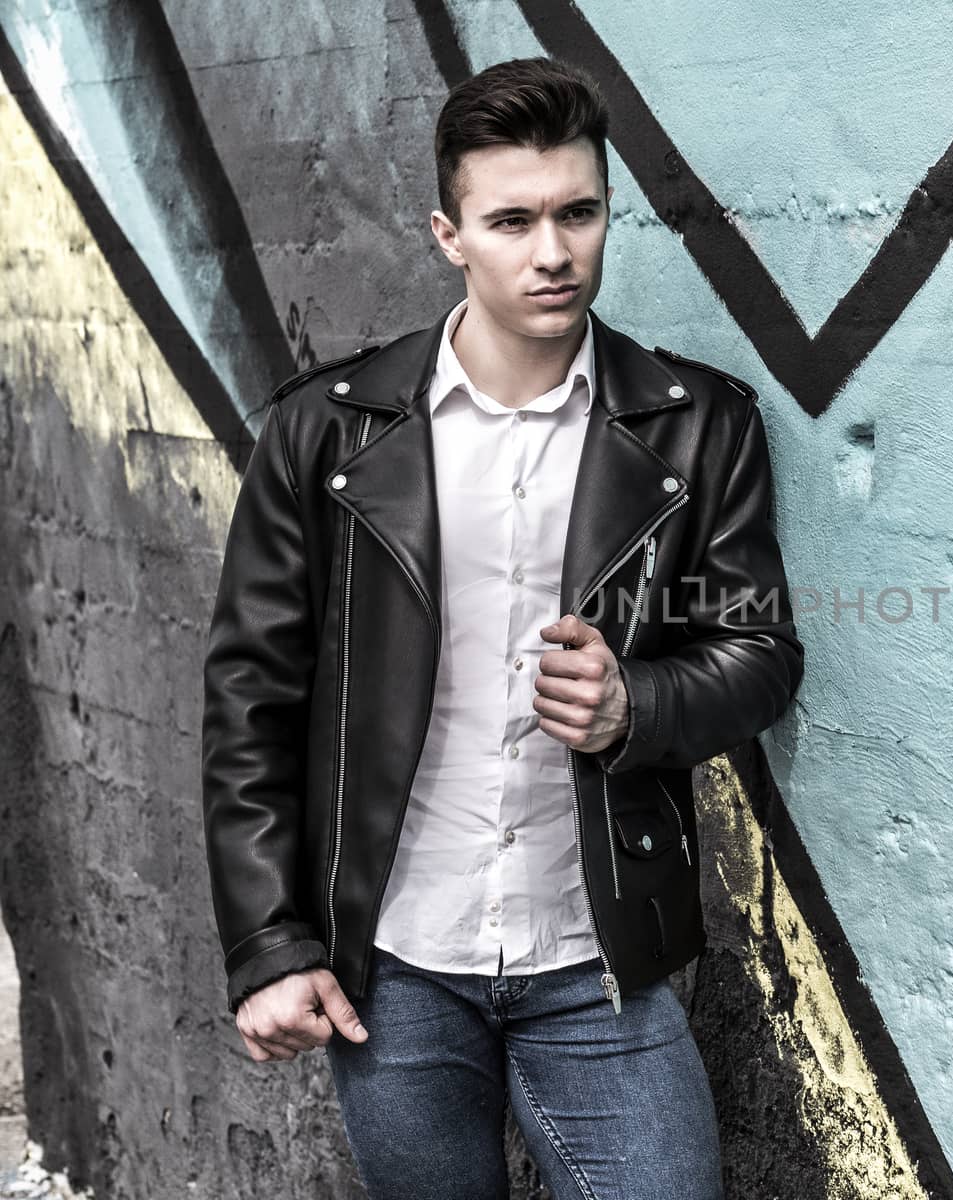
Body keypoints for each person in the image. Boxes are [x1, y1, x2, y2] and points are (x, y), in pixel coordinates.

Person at [200, 56, 803, 1200]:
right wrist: (269, 944)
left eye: (579, 213)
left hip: (596, 956)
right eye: (513, 220)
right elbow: (250, 699)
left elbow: (762, 655)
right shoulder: (325, 437)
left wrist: (640, 704)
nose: (553, 251)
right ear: (449, 234)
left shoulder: (697, 427)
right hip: (396, 959)